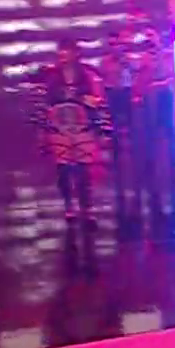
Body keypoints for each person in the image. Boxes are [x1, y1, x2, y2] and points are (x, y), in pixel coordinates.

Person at [37, 38, 106, 221]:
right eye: (61, 51)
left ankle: (87, 206)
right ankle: (69, 206)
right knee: (64, 170)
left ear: (76, 54)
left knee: (83, 170)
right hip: (59, 129)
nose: (63, 55)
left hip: (82, 127)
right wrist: (44, 131)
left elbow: (97, 101)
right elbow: (46, 104)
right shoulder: (53, 78)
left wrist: (97, 124)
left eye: (66, 51)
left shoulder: (87, 76)